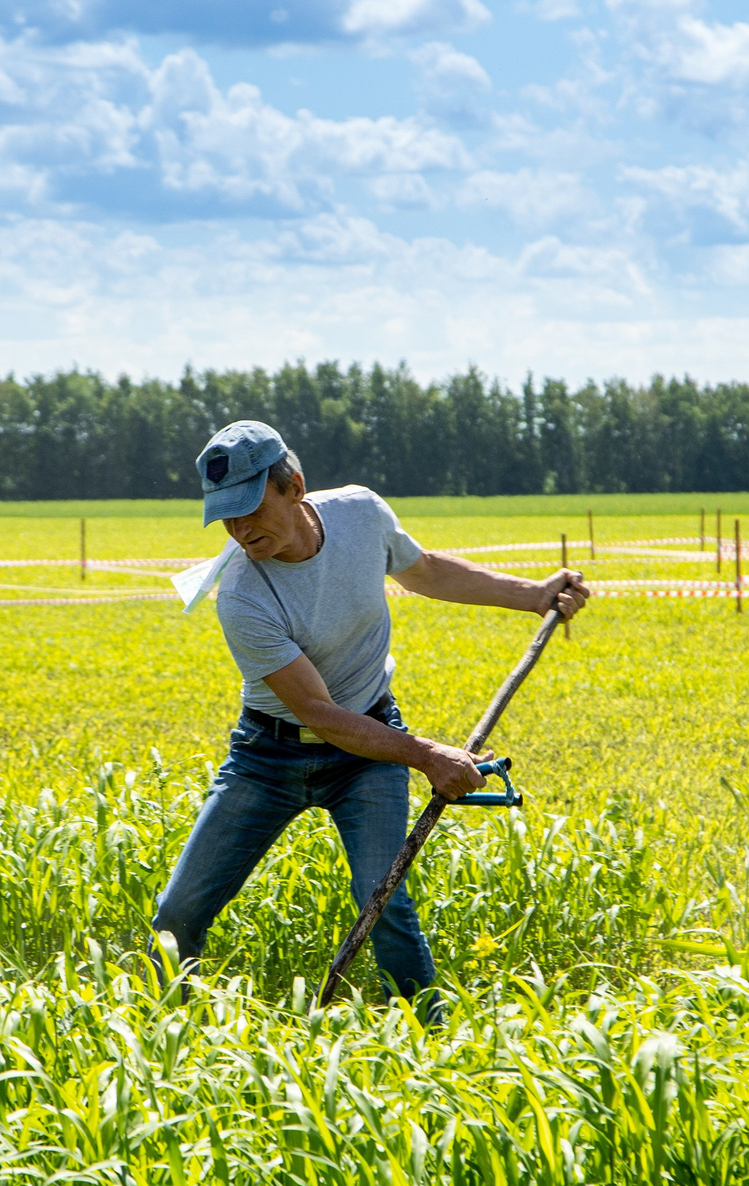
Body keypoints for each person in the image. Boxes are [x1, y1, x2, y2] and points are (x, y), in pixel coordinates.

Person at [152, 419, 589, 1016]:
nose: (240, 529)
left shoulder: (361, 514)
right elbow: (318, 714)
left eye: (251, 507)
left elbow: (426, 570)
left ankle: (426, 1042)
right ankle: (171, 1043)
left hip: (369, 748)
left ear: (294, 486)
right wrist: (429, 755)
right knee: (178, 915)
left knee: (383, 903)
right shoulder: (242, 595)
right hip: (269, 756)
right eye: (226, 515)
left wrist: (534, 594)